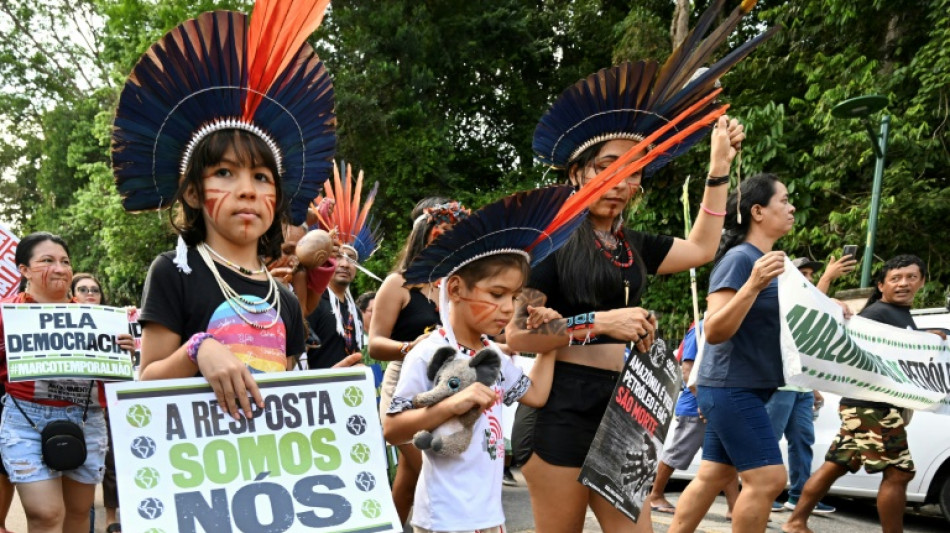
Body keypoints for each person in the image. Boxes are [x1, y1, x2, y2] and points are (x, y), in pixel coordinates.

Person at [505, 8, 769, 528]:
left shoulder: (633, 244)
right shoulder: (547, 243)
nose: (623, 183)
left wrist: (718, 170)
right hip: (559, 411)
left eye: (635, 172)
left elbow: (700, 249)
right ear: (579, 171)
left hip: (624, 410)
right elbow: (517, 337)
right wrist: (599, 324)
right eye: (609, 168)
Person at [112, 0, 337, 418]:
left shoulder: (285, 300)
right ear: (194, 193)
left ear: (277, 201)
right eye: (225, 173)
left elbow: (276, 403)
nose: (247, 191)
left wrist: (327, 392)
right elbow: (147, 382)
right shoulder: (173, 273)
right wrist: (200, 349)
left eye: (262, 178)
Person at [384, 185, 588, 533]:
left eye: (513, 296)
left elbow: (535, 395)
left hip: (489, 519)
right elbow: (392, 429)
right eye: (496, 294)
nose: (508, 308)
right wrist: (452, 404)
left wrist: (550, 341)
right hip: (444, 519)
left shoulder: (490, 354)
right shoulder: (428, 352)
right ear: (456, 288)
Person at [665, 174, 801, 533]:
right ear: (758, 211)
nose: (792, 207)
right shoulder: (741, 261)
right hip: (730, 387)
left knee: (714, 475)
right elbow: (715, 329)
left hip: (743, 386)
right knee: (769, 480)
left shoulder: (766, 260)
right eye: (784, 200)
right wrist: (753, 285)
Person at [783, 254, 942, 533]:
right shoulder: (877, 314)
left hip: (863, 407)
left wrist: (928, 335)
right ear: (881, 285)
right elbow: (854, 340)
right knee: (899, 473)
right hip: (872, 407)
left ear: (922, 282)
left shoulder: (899, 316)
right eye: (895, 278)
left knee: (835, 466)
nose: (903, 283)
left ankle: (796, 521)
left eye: (911, 277)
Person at [0, 232, 132, 533]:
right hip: (25, 420)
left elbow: (114, 380)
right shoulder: (6, 316)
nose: (60, 268)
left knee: (78, 514)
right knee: (45, 514)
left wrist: (123, 353)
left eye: (65, 261)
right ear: (24, 270)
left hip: (86, 419)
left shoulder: (100, 318)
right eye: (47, 261)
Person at [369, 199, 469, 524]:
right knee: (426, 467)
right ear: (423, 237)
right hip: (404, 383)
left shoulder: (456, 287)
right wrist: (411, 346)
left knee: (411, 477)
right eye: (441, 235)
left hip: (447, 386)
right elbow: (375, 345)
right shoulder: (398, 283)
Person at [766, 256, 855, 514]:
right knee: (769, 440)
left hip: (801, 389)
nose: (808, 279)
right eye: (802, 273)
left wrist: (813, 387)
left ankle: (800, 497)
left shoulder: (810, 296)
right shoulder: (779, 297)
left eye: (811, 275)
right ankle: (763, 492)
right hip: (779, 388)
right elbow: (806, 309)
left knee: (802, 441)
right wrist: (827, 280)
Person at [648, 321, 739, 520]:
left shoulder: (729, 324)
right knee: (677, 453)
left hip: (716, 405)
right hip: (695, 407)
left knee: (725, 458)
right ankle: (655, 495)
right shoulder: (700, 329)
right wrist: (703, 400)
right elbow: (687, 370)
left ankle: (735, 508)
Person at [71, 273, 125, 533]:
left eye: (95, 289)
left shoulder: (115, 323)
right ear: (73, 296)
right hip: (66, 408)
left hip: (103, 405)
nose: (90, 293)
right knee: (76, 469)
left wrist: (129, 345)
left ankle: (110, 520)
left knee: (109, 463)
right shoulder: (57, 324)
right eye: (83, 289)